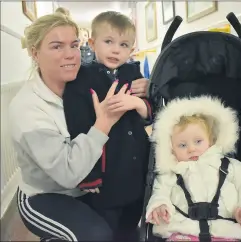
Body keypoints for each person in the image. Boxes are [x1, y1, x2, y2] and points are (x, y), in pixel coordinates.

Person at [9, 13, 148, 241]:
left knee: (126, 229)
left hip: (91, 187)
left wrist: (144, 88)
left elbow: (128, 96)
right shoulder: (27, 109)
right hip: (46, 194)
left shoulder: (87, 80)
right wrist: (103, 123)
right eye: (56, 46)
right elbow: (68, 174)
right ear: (35, 53)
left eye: (74, 45)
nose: (70, 55)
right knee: (96, 235)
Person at [62, 11, 152, 240]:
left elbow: (149, 109)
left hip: (135, 162)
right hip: (106, 167)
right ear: (92, 43)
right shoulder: (82, 78)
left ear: (131, 50)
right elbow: (78, 126)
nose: (115, 50)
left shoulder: (133, 73)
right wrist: (89, 175)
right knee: (107, 222)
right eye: (108, 42)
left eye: (123, 45)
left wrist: (140, 103)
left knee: (132, 220)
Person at [145, 96, 241, 241]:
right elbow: (160, 192)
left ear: (211, 140)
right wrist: (160, 206)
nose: (191, 149)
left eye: (198, 141)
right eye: (182, 145)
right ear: (171, 149)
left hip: (226, 230)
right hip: (183, 231)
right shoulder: (171, 172)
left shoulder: (230, 166)